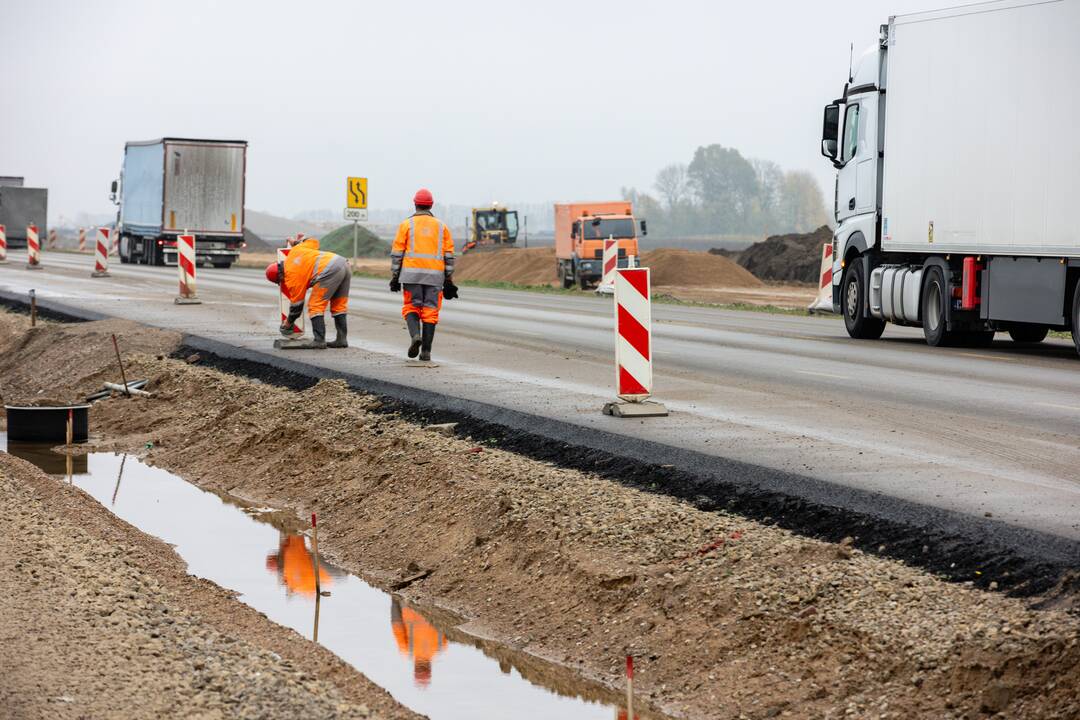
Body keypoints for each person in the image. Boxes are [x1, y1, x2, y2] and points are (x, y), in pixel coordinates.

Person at [390, 188, 458, 361]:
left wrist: (395, 276)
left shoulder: (406, 225)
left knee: (412, 307)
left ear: (415, 204)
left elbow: (397, 253)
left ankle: (415, 336)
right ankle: (426, 352)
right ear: (431, 205)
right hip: (435, 277)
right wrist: (448, 279)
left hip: (411, 276)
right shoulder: (442, 227)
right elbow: (449, 255)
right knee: (430, 311)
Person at [265, 236, 350, 348]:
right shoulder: (295, 251)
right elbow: (313, 241)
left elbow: (297, 306)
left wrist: (288, 323)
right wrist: (296, 242)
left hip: (329, 270)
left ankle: (319, 341)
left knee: (315, 306)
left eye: (280, 281)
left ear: (279, 276)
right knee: (339, 305)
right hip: (343, 263)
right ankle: (341, 340)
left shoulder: (291, 277)